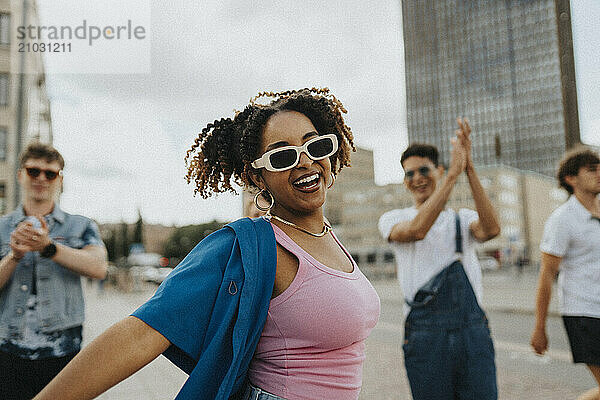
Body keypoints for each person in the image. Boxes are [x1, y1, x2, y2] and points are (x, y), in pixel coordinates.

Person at [35, 88, 380, 400]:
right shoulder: (250, 246)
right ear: (256, 176)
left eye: (315, 146)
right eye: (282, 156)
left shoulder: (329, 236)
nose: (305, 161)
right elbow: (140, 333)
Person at [378, 119, 501, 400]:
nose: (417, 178)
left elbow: (491, 229)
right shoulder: (394, 219)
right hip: (424, 337)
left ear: (439, 170)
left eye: (424, 170)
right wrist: (452, 178)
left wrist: (468, 169)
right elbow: (417, 230)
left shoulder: (462, 219)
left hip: (472, 332)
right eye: (409, 173)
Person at [0, 142, 108, 400]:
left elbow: (99, 267)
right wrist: (14, 255)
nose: (41, 179)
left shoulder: (81, 226)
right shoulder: (2, 226)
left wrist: (49, 248)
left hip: (63, 352)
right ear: (20, 175)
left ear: (60, 179)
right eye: (33, 171)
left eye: (50, 173)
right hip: (7, 350)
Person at [530, 147, 600, 400]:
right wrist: (540, 327)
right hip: (584, 313)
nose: (599, 173)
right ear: (571, 179)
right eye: (591, 169)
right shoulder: (563, 219)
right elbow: (547, 275)